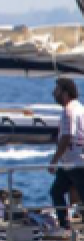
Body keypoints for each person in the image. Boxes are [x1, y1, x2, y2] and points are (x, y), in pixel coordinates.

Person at [49, 77, 84, 229]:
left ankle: (65, 225)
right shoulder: (81, 108)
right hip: (72, 162)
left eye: (56, 90)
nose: (54, 93)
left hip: (74, 162)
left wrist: (54, 160)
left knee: (78, 194)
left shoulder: (68, 111)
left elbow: (67, 136)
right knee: (56, 191)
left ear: (65, 93)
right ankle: (64, 224)